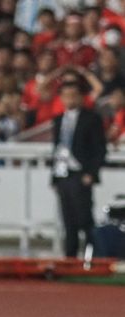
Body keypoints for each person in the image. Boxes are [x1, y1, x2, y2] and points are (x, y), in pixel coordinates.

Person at [52, 82, 107, 258]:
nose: (69, 99)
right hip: (63, 174)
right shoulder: (59, 119)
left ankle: (92, 256)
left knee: (84, 218)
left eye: (73, 95)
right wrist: (54, 176)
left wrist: (91, 173)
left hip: (80, 174)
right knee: (68, 220)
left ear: (81, 97)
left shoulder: (91, 119)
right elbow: (57, 147)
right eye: (65, 95)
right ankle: (70, 258)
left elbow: (99, 149)